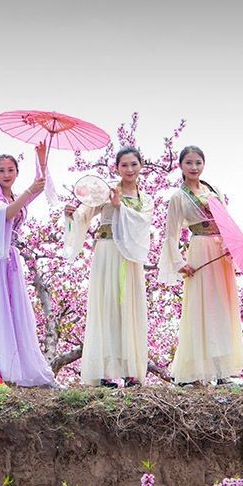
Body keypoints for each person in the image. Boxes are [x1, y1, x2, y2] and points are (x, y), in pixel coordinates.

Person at [0, 143, 56, 387]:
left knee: (11, 309)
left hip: (9, 257)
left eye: (11, 170)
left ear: (16, 172)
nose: (6, 174)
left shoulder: (16, 196)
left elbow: (40, 184)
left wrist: (41, 158)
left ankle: (13, 366)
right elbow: (4, 214)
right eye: (1, 170)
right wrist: (28, 192)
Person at [63, 147, 152, 387]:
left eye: (134, 164)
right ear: (117, 168)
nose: (129, 169)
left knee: (128, 307)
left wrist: (120, 206)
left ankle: (131, 371)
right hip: (106, 252)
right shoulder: (107, 190)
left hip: (130, 258)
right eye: (124, 165)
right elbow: (84, 214)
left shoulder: (146, 199)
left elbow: (143, 224)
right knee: (106, 305)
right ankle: (102, 372)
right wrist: (71, 215)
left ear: (141, 166)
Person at [157, 146, 243, 386]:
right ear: (180, 166)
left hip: (221, 252)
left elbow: (227, 221)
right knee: (201, 308)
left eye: (198, 162)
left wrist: (232, 245)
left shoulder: (213, 190)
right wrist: (179, 262)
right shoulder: (178, 197)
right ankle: (195, 371)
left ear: (204, 164)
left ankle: (223, 371)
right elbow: (171, 233)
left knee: (223, 306)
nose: (194, 167)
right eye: (189, 163)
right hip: (200, 251)